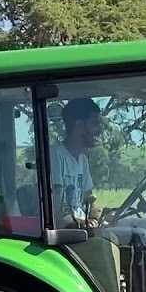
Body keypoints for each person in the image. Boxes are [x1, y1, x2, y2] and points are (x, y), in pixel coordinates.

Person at [50, 97, 103, 229]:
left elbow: (88, 198)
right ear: (79, 125)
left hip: (81, 228)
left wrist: (96, 216)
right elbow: (53, 211)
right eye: (94, 123)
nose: (99, 130)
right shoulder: (56, 156)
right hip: (67, 234)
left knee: (143, 228)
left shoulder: (82, 160)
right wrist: (82, 223)